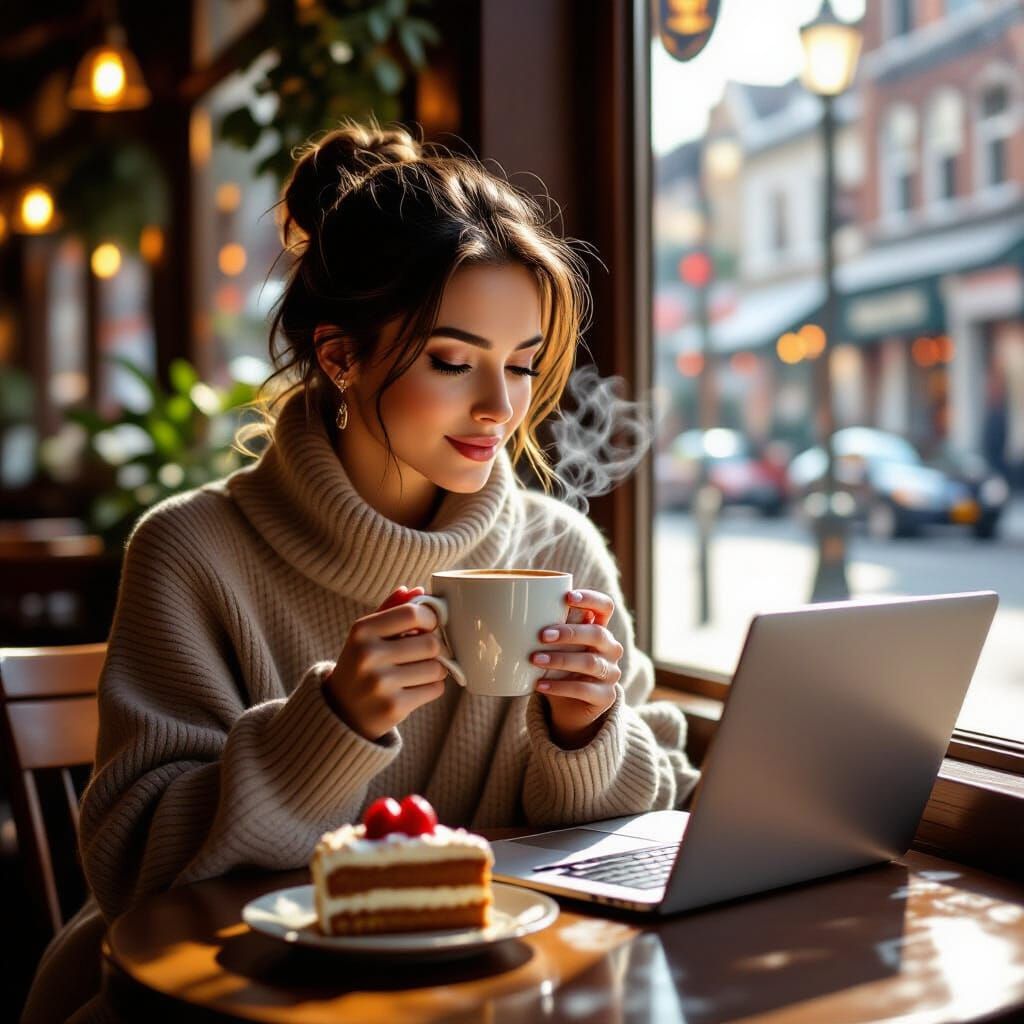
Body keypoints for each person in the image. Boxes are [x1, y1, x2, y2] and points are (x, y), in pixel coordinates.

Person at [23, 119, 699, 1023]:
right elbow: (137, 872)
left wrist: (585, 736)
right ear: (340, 357)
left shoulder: (558, 552)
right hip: (226, 1000)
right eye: (453, 362)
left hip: (500, 997)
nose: (500, 407)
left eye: (523, 365)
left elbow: (662, 814)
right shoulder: (192, 552)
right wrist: (331, 723)